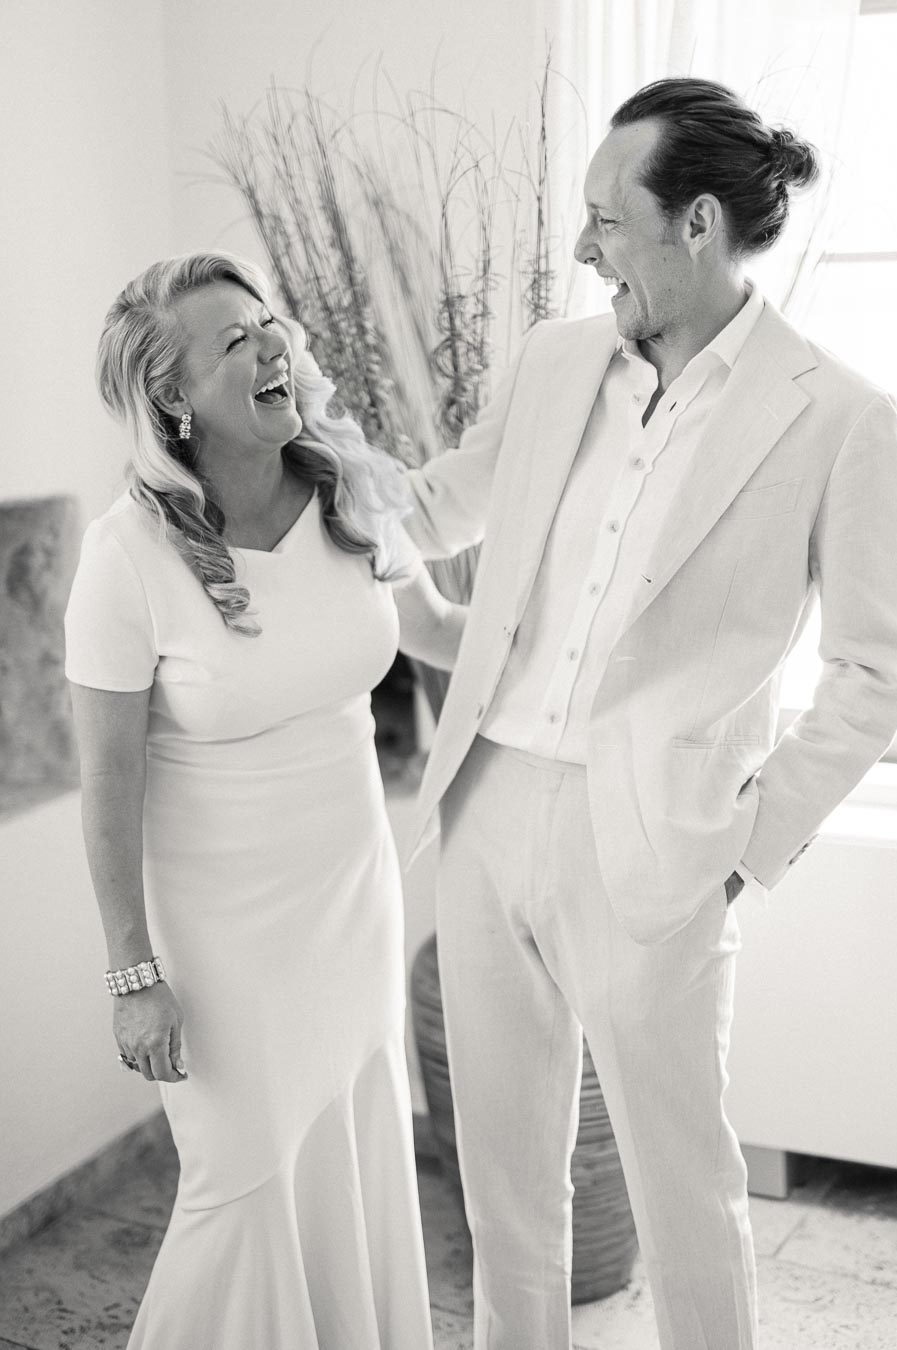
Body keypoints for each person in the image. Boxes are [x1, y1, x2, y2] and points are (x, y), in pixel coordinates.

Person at [399, 77, 897, 1350]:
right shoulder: (557, 359)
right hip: (488, 797)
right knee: (506, 1188)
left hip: (665, 845)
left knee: (686, 1189)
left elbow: (873, 672)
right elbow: (451, 497)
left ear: (699, 224)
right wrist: (304, 480)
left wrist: (749, 844)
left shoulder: (841, 419)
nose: (582, 250)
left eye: (606, 220)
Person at [64, 251, 462, 1350]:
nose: (272, 346)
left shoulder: (349, 494)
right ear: (174, 401)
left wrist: (589, 636)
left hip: (351, 900)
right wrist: (134, 976)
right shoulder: (126, 558)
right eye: (233, 342)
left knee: (352, 1146)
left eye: (268, 324)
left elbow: (438, 637)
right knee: (240, 1186)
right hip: (221, 941)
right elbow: (108, 794)